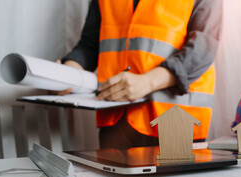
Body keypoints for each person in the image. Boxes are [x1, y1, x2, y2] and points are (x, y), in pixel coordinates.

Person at [59, 0, 222, 149]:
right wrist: (68, 72)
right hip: (116, 118)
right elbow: (89, 45)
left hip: (175, 120)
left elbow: (203, 48)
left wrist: (147, 82)